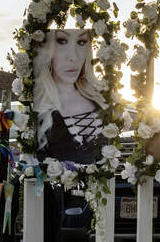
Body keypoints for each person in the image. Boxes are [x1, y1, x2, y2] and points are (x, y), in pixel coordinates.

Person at [33, 28, 108, 164]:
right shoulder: (36, 107)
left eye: (81, 42)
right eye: (62, 41)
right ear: (47, 48)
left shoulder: (100, 98)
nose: (74, 57)